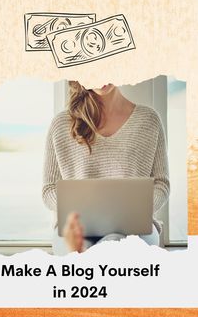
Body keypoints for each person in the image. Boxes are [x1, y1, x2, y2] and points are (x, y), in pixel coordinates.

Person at [42, 81, 170, 255]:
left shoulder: (149, 120)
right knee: (92, 253)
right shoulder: (61, 124)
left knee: (113, 244)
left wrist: (133, 211)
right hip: (76, 230)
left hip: (136, 230)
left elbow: (161, 184)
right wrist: (78, 210)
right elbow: (49, 189)